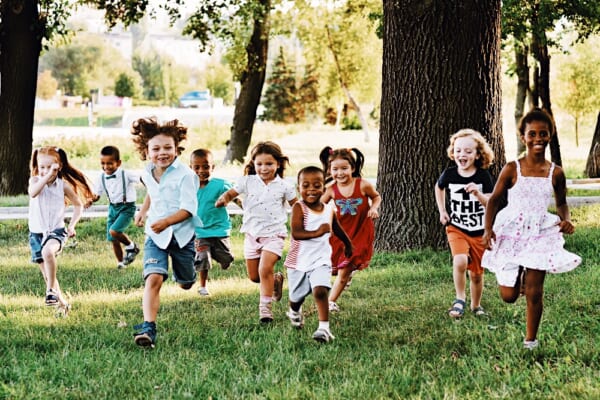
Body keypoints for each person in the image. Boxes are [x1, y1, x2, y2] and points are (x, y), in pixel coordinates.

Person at [482, 108, 581, 350]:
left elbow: (561, 203)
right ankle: (519, 275)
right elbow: (494, 200)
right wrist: (487, 230)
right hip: (512, 230)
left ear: (550, 136)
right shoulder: (512, 168)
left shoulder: (555, 173)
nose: (538, 138)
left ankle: (530, 340)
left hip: (540, 232)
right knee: (509, 296)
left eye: (543, 134)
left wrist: (565, 220)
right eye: (532, 134)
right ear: (523, 137)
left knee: (535, 292)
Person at [131, 117, 199, 348]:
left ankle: (189, 275)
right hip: (156, 236)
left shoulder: (187, 176)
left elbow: (189, 210)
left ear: (177, 148)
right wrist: (143, 211)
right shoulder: (148, 171)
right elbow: (153, 191)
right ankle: (148, 327)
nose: (162, 153)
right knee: (154, 278)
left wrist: (167, 222)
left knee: (187, 282)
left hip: (181, 236)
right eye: (156, 148)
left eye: (168, 148)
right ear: (147, 150)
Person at [216, 141, 297, 323]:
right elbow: (232, 193)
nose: (264, 168)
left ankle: (265, 310)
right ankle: (275, 280)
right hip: (252, 235)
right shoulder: (248, 181)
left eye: (269, 164)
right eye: (259, 164)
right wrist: (224, 199)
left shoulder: (284, 186)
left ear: (278, 164)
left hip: (274, 235)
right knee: (255, 277)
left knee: (264, 268)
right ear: (253, 164)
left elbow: (297, 206)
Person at [284, 166, 353, 343]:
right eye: (305, 185)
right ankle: (294, 311)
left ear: (324, 187)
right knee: (296, 297)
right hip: (298, 261)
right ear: (298, 188)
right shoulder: (299, 208)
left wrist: (347, 243)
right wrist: (317, 232)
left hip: (321, 259)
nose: (311, 190)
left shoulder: (329, 208)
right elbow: (296, 233)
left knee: (320, 291)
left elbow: (335, 227)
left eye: (316, 185)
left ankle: (324, 329)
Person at [435, 129, 495, 318]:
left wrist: (478, 193)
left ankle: (476, 306)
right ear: (453, 152)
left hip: (478, 231)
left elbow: (491, 202)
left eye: (468, 151)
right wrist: (443, 211)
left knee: (476, 275)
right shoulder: (450, 173)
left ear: (478, 155)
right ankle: (459, 299)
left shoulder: (483, 176)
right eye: (458, 150)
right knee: (459, 261)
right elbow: (439, 187)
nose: (462, 155)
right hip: (456, 228)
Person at [28, 146, 94, 316]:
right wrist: (46, 176)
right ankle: (62, 303)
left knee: (48, 252)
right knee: (47, 273)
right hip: (36, 233)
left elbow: (78, 205)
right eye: (41, 167)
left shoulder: (62, 186)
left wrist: (72, 225)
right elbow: (33, 193)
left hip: (56, 231)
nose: (44, 171)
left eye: (49, 167)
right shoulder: (35, 181)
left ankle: (50, 290)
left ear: (59, 167)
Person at [319, 147, 381, 312]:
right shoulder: (331, 189)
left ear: (352, 168)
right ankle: (347, 273)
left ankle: (330, 301)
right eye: (335, 169)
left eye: (344, 168)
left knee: (343, 271)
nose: (340, 173)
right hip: (341, 232)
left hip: (360, 231)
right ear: (329, 170)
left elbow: (376, 196)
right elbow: (320, 207)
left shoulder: (362, 185)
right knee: (336, 265)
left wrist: (374, 208)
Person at [190, 148, 235, 296]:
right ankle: (203, 286)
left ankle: (221, 258)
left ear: (212, 167)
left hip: (219, 230)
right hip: (200, 231)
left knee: (226, 258)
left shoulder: (220, 185)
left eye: (205, 167)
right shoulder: (189, 188)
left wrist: (246, 208)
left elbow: (235, 196)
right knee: (203, 257)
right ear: (191, 168)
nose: (201, 171)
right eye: (196, 167)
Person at [90, 145, 140, 269]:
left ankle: (131, 246)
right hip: (112, 208)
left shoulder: (125, 174)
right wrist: (92, 199)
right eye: (103, 163)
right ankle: (121, 263)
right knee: (113, 238)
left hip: (126, 207)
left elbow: (141, 178)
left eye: (110, 163)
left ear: (118, 163)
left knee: (114, 231)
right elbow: (97, 193)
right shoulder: (101, 177)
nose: (106, 167)